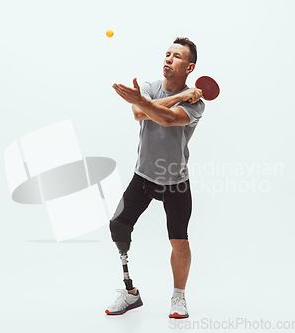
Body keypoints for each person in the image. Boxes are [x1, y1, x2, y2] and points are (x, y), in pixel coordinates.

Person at [106, 37, 206, 319]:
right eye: (167, 54)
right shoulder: (148, 88)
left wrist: (147, 102)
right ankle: (129, 292)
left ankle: (178, 297)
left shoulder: (197, 104)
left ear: (189, 67)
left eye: (176, 56)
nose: (168, 59)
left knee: (179, 242)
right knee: (118, 225)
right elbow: (140, 112)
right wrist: (150, 99)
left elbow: (168, 120)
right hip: (143, 177)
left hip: (175, 181)